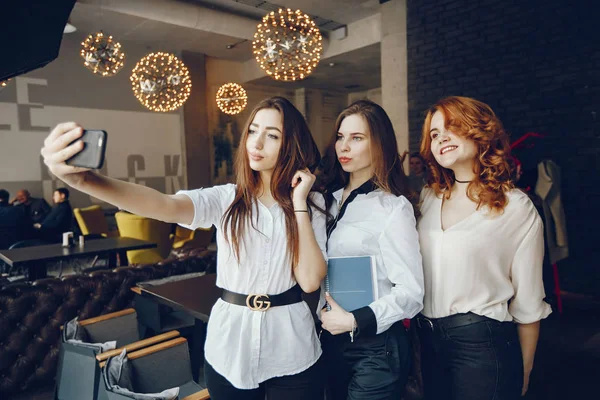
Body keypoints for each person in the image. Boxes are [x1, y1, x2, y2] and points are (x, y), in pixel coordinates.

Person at [40, 97, 328, 400]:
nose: (256, 142)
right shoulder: (227, 199)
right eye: (253, 131)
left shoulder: (312, 204)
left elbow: (309, 280)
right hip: (231, 345)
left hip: (291, 346)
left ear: (291, 144)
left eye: (272, 135)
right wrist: (87, 181)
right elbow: (165, 206)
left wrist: (298, 205)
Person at [416, 96, 551, 400]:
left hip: (482, 347)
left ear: (479, 131)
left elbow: (529, 303)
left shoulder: (515, 206)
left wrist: (524, 371)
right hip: (426, 343)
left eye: (452, 127)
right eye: (434, 134)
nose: (441, 138)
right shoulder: (428, 197)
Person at [318, 100, 424, 400]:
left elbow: (412, 293)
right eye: (340, 137)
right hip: (327, 341)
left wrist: (355, 320)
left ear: (379, 144)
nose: (344, 147)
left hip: (376, 348)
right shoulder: (324, 202)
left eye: (356, 138)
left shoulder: (392, 206)